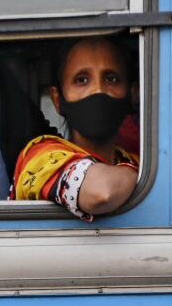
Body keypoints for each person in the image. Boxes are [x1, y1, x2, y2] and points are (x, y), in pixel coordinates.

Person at [10, 37, 138, 220]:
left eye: (112, 79)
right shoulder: (40, 156)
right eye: (82, 80)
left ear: (131, 93)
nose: (97, 90)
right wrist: (138, 173)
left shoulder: (134, 159)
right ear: (57, 99)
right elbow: (101, 193)